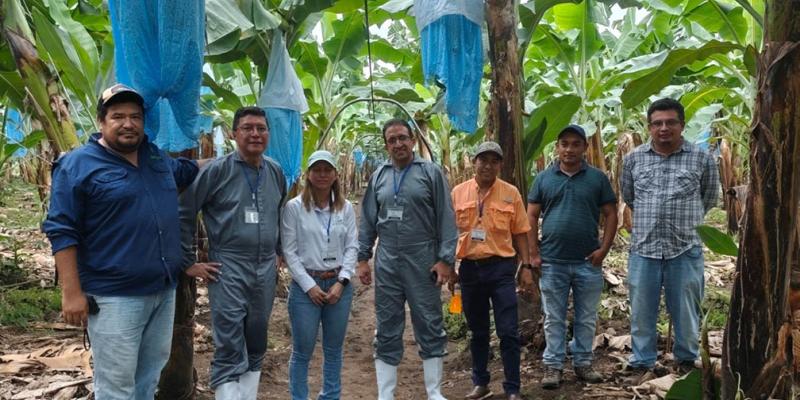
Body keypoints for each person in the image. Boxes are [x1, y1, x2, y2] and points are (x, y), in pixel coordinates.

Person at [43, 84, 203, 399]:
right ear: (102, 122)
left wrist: (239, 157)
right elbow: (61, 229)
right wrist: (72, 293)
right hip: (114, 297)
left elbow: (188, 171)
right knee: (116, 386)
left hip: (163, 292)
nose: (128, 123)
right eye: (118, 116)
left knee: (148, 378)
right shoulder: (77, 165)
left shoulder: (154, 157)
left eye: (135, 116)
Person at [179, 106, 286, 400]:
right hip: (228, 264)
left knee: (257, 335)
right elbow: (185, 211)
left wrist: (278, 250)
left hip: (265, 267)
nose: (255, 134)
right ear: (233, 133)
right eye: (248, 128)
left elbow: (279, 214)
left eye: (261, 128)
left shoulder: (274, 171)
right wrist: (189, 261)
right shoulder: (217, 170)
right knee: (228, 337)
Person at [356, 118, 458, 400]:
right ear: (386, 144)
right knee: (387, 323)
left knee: (428, 320)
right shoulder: (379, 176)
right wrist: (363, 258)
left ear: (413, 140)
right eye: (392, 140)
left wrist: (445, 260)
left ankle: (434, 392)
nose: (398, 144)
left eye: (402, 137)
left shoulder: (431, 173)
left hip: (422, 257)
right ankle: (385, 394)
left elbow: (447, 219)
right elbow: (367, 220)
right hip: (387, 258)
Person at [621, 98, 719, 380]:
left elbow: (709, 197)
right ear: (649, 127)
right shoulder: (634, 159)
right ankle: (642, 361)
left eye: (670, 122)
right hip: (644, 248)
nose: (664, 128)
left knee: (687, 309)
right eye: (657, 123)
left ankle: (686, 360)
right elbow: (630, 196)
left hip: (684, 247)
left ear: (682, 125)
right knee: (641, 310)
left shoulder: (701, 158)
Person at [527, 125, 618, 389]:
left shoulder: (597, 178)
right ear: (557, 147)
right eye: (564, 143)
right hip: (552, 260)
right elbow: (531, 215)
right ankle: (553, 366)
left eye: (575, 144)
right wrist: (533, 252)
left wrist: (604, 248)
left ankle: (583, 363)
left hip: (587, 262)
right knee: (554, 317)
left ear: (584, 148)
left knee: (586, 316)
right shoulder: (544, 178)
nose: (569, 149)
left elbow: (611, 213)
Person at [450, 141, 533, 400]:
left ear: (500, 164)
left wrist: (527, 266)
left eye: (493, 161)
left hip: (501, 269)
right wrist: (450, 268)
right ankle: (481, 383)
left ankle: (513, 388)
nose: (487, 165)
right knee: (478, 331)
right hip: (469, 270)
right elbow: (448, 233)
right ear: (473, 162)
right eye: (482, 160)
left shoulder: (511, 193)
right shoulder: (458, 192)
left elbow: (521, 232)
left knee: (508, 331)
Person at [280, 150, 357, 400]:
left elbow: (352, 247)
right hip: (306, 288)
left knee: (333, 349)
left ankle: (330, 396)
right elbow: (289, 251)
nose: (322, 174)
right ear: (308, 175)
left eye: (327, 170)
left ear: (335, 174)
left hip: (338, 286)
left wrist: (342, 282)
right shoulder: (294, 208)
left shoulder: (345, 208)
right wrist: (309, 285)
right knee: (302, 351)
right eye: (317, 170)